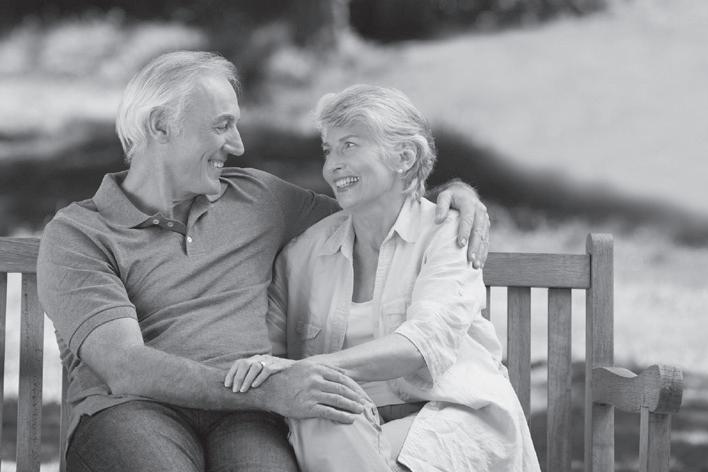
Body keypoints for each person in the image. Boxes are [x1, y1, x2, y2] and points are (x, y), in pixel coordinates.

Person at [36, 51, 491, 472]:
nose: (236, 145)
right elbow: (125, 367)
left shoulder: (258, 197)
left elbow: (374, 205)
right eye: (222, 126)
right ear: (160, 126)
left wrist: (450, 195)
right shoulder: (79, 234)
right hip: (133, 411)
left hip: (248, 417)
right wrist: (271, 389)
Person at [222, 84, 540, 471]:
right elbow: (269, 357)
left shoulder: (447, 234)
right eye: (328, 149)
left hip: (451, 419)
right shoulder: (303, 254)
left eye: (349, 145)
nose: (332, 165)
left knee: (326, 411)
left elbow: (421, 344)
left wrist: (307, 369)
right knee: (323, 414)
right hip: (349, 429)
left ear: (404, 157)